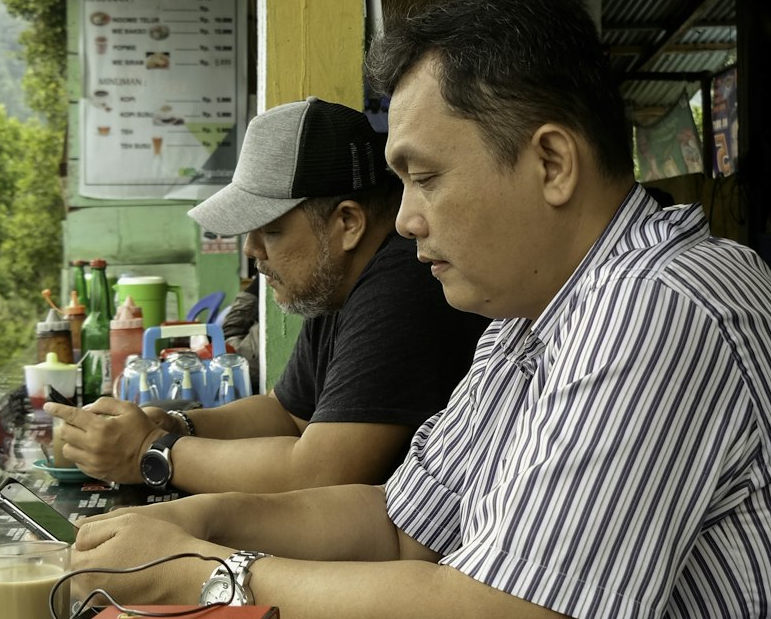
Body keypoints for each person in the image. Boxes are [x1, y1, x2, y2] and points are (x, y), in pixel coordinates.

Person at [71, 0, 771, 619]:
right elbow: (398, 523)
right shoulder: (525, 319)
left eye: (424, 177)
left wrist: (208, 576)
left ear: (551, 163)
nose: (404, 219)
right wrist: (200, 517)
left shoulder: (665, 307)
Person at [48, 97, 486, 495]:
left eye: (271, 231)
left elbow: (320, 471)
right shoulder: (340, 280)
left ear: (348, 223)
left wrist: (150, 453)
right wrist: (174, 424)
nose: (251, 251)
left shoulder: (405, 281)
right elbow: (286, 413)